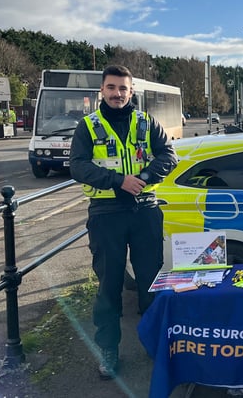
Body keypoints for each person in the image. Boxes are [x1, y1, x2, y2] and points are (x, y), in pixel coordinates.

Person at [69, 64, 178, 380]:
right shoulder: (87, 127)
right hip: (106, 214)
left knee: (151, 282)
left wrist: (142, 178)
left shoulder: (147, 123)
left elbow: (168, 156)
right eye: (112, 87)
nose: (118, 94)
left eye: (123, 89)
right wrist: (118, 181)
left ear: (132, 92)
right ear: (102, 90)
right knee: (109, 286)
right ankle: (109, 350)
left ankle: (154, 342)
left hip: (145, 211)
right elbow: (77, 166)